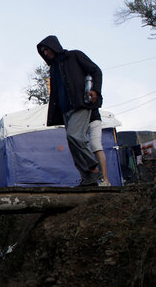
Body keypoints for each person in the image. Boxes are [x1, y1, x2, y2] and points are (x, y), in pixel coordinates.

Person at [37, 35, 104, 186]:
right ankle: (88, 180)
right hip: (65, 110)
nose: (45, 53)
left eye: (47, 49)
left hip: (80, 104)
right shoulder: (53, 68)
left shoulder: (74, 56)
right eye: (43, 51)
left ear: (54, 46)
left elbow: (96, 71)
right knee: (72, 142)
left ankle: (93, 167)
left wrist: (95, 91)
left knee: (74, 136)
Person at [88, 109, 111, 186]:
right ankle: (87, 178)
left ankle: (105, 179)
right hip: (81, 120)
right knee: (81, 147)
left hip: (93, 119)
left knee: (96, 146)